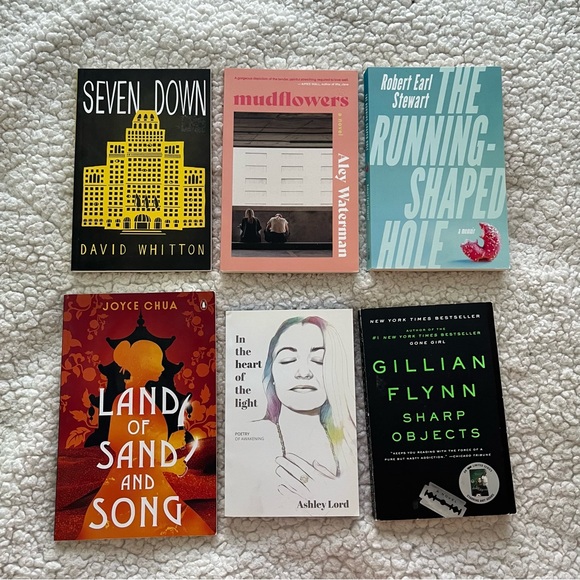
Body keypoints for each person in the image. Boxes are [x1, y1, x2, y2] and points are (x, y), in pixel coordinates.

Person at [78, 339, 213, 539]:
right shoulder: (130, 399)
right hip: (132, 491)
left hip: (147, 486)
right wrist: (169, 455)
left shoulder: (141, 397)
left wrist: (168, 456)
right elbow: (126, 448)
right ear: (143, 364)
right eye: (157, 362)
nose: (162, 368)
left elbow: (142, 447)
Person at [261, 316, 357, 502]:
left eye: (319, 360)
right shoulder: (252, 437)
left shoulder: (352, 445)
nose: (304, 373)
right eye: (288, 360)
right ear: (271, 374)